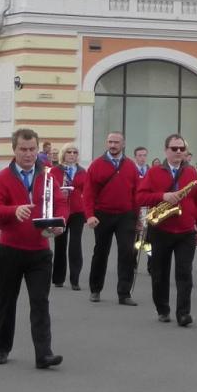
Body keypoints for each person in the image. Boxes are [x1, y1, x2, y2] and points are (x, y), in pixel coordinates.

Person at [0, 127, 65, 368]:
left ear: (38, 150)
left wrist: (61, 222)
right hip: (11, 249)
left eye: (32, 149)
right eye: (23, 149)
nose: (28, 154)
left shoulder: (48, 176)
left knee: (40, 302)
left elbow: (60, 202)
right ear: (14, 150)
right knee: (7, 301)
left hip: (40, 250)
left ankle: (43, 354)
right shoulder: (1, 179)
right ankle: (1, 348)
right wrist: (13, 211)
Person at [138, 132, 197, 326]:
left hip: (186, 231)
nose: (178, 151)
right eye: (174, 148)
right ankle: (163, 309)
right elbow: (140, 197)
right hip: (161, 229)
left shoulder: (193, 173)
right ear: (165, 151)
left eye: (182, 148)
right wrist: (163, 196)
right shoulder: (154, 172)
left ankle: (183, 313)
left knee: (185, 273)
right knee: (159, 273)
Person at [84, 129, 140, 305]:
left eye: (116, 142)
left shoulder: (131, 166)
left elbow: (136, 194)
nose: (113, 145)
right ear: (106, 143)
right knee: (101, 252)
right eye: (110, 142)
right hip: (103, 215)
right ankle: (95, 289)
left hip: (126, 216)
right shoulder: (96, 165)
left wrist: (138, 218)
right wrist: (89, 215)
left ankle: (124, 293)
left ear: (123, 144)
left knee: (127, 253)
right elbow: (88, 193)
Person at [51, 146, 87, 288]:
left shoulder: (82, 171)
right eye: (69, 152)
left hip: (78, 211)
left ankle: (75, 279)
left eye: (75, 152)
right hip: (60, 211)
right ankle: (58, 278)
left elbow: (87, 190)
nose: (72, 155)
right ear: (63, 154)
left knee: (75, 244)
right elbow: (49, 189)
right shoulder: (55, 171)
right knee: (60, 243)